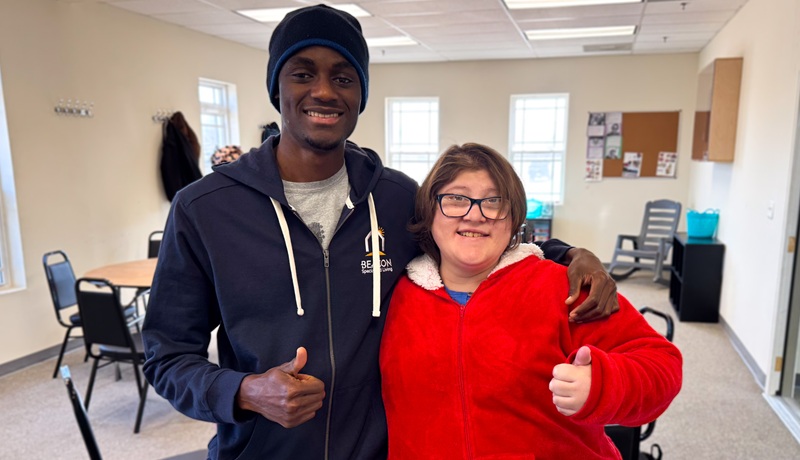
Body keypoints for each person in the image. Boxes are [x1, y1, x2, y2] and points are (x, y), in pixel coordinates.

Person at [142, 5, 619, 459]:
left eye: (343, 77)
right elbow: (166, 357)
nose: (324, 91)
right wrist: (243, 391)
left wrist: (571, 254)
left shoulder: (394, 197)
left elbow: (475, 233)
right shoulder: (204, 209)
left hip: (380, 451)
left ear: (360, 95)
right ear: (277, 88)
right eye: (303, 73)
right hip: (260, 451)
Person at [379, 143, 683, 459]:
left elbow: (662, 365)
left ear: (513, 219)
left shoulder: (562, 287)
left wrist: (604, 383)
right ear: (430, 211)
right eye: (456, 198)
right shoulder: (391, 296)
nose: (475, 214)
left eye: (494, 201)